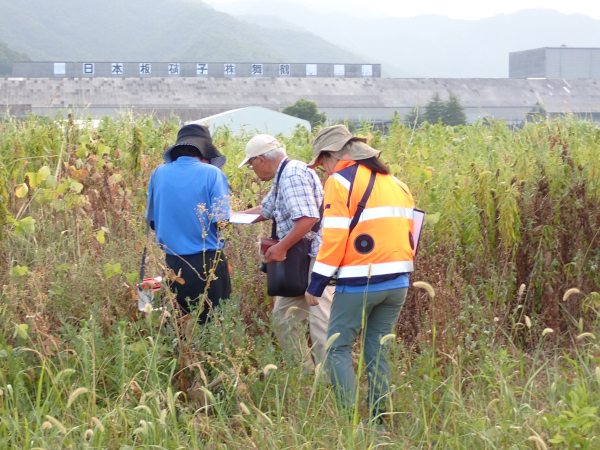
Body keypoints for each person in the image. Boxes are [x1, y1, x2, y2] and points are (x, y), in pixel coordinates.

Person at [304, 125, 416, 424]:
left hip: (358, 283)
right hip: (399, 282)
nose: (323, 169)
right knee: (378, 351)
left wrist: (316, 284)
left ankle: (350, 422)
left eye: (322, 162)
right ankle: (380, 419)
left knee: (337, 349)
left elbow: (334, 239)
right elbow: (411, 234)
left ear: (333, 156)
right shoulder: (397, 183)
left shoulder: (339, 182)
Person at [238, 134, 334, 371]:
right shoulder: (285, 175)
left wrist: (280, 247)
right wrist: (229, 218)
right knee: (283, 319)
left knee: (320, 323)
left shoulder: (292, 175)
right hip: (301, 259)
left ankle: (333, 386)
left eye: (251, 164)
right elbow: (266, 209)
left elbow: (309, 218)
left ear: (260, 159)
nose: (253, 171)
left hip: (314, 258)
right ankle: (307, 377)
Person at [147, 123, 231, 324]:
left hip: (172, 264)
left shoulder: (158, 174)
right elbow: (222, 223)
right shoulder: (213, 174)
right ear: (205, 152)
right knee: (213, 327)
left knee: (179, 325)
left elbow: (152, 222)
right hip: (207, 263)